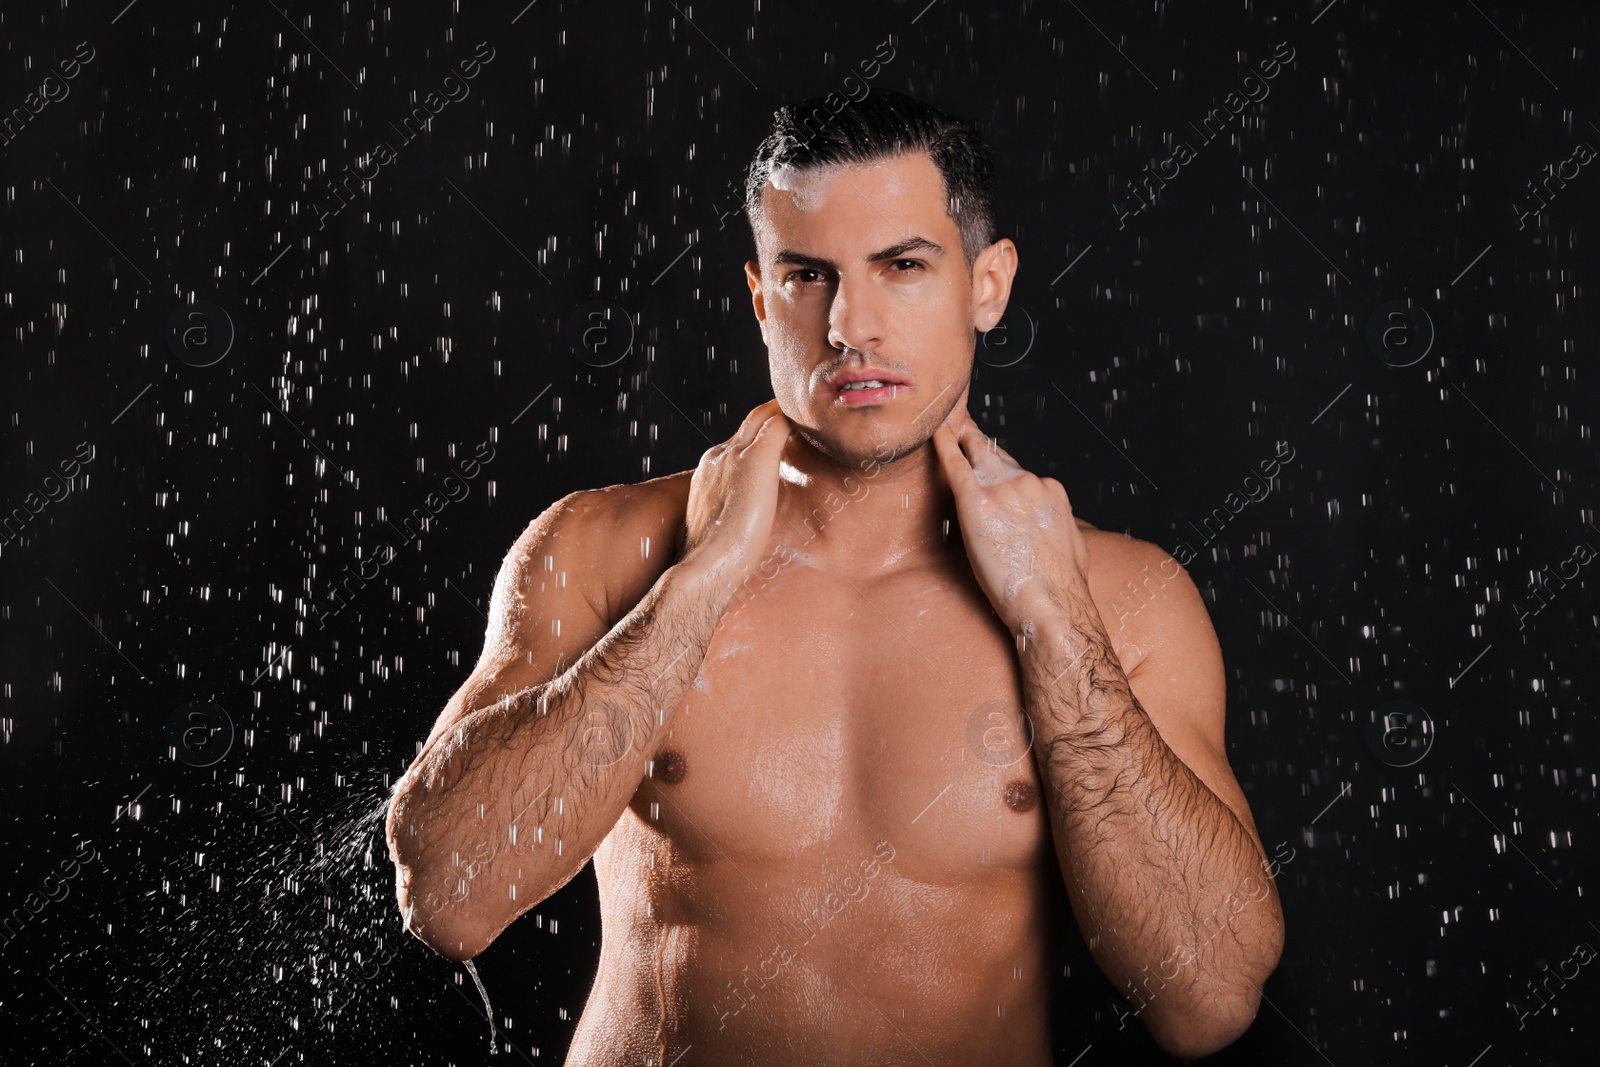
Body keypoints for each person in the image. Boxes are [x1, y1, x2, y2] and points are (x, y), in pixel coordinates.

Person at [385, 88, 1284, 1064]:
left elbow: (1209, 996)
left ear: (987, 284)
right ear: (762, 296)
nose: (850, 323)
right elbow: (447, 895)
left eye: (902, 266)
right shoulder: (602, 548)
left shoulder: (1120, 595)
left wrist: (1054, 619)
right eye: (808, 274)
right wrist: (699, 582)